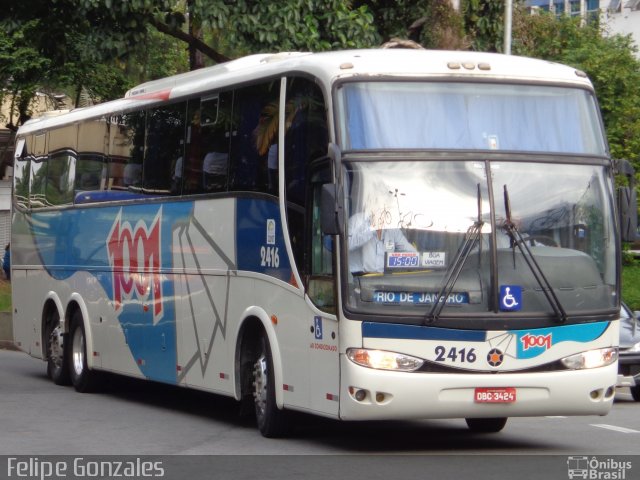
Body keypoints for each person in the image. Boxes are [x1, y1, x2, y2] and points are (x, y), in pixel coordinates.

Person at [348, 212, 415, 274]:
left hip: (383, 279)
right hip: (356, 277)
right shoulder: (358, 220)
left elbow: (412, 254)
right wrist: (371, 229)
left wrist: (394, 259)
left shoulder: (392, 228)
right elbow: (345, 245)